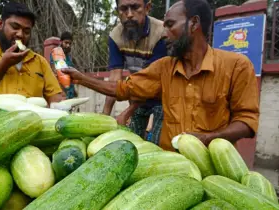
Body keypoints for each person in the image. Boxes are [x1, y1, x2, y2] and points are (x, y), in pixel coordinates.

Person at [63, 0, 259, 151]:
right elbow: (123, 88)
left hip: (212, 171)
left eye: (170, 25)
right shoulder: (164, 67)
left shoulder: (237, 66)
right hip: (170, 166)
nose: (164, 33)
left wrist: (208, 138)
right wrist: (81, 78)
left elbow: (247, 122)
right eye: (164, 26)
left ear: (194, 23)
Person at [0, 2, 63, 104]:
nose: (20, 34)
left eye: (26, 31)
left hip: (30, 119)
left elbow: (55, 97)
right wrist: (3, 65)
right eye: (15, 27)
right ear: (0, 24)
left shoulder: (40, 61)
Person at [103, 0, 167, 145]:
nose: (129, 14)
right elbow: (115, 79)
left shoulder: (161, 34)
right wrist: (105, 116)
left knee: (156, 145)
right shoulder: (115, 36)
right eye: (124, 9)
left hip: (162, 96)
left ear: (147, 7)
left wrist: (127, 111)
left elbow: (151, 83)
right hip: (138, 95)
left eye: (135, 7)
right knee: (132, 142)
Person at [50, 31, 78, 99]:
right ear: (61, 42)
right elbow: (55, 74)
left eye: (70, 43)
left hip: (70, 91)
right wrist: (62, 91)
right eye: (66, 43)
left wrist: (73, 90)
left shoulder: (69, 57)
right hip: (61, 92)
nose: (68, 45)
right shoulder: (56, 53)